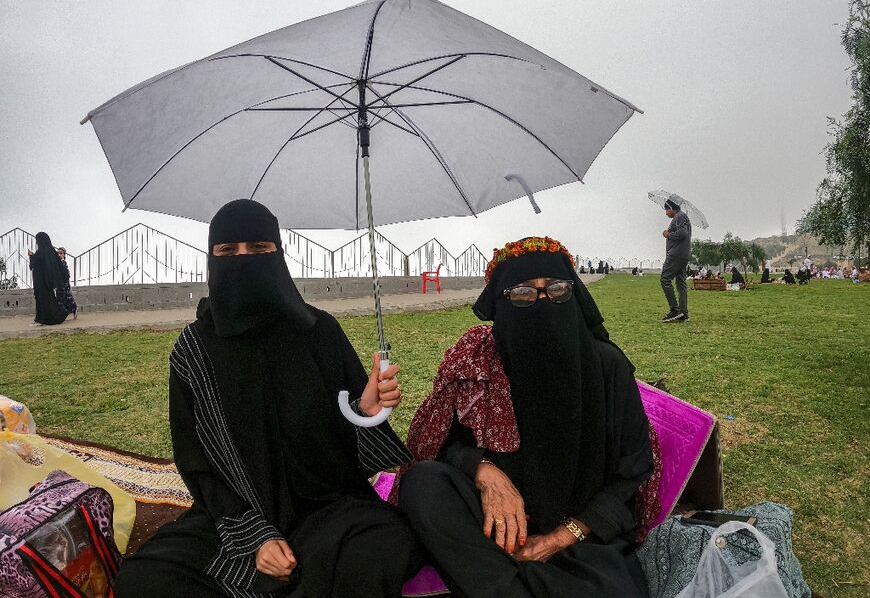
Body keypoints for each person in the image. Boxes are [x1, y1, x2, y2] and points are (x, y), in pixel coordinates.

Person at [115, 200, 423, 598]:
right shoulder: (194, 350)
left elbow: (351, 459)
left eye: (258, 249)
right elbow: (197, 464)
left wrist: (364, 413)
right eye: (228, 251)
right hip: (235, 518)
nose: (243, 260)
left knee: (380, 547)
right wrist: (255, 538)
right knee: (146, 581)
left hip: (326, 508)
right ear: (212, 258)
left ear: (278, 253)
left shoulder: (319, 332)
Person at [397, 236, 660, 598]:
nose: (543, 301)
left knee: (612, 587)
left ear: (574, 293)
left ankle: (496, 584)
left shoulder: (605, 366)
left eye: (556, 290)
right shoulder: (481, 363)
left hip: (580, 533)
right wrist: (485, 473)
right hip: (494, 526)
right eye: (522, 294)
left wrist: (558, 538)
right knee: (423, 483)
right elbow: (443, 446)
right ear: (501, 303)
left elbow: (632, 474)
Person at [659, 199, 691, 322]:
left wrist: (668, 235)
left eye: (667, 209)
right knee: (681, 284)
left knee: (665, 279)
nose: (666, 213)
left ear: (673, 208)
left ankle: (675, 310)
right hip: (683, 254)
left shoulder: (680, 216)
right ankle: (683, 313)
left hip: (676, 255)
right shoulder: (682, 217)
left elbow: (683, 233)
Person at [27, 232, 69, 325]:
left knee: (42, 300)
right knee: (48, 300)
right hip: (48, 281)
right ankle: (41, 319)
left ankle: (43, 319)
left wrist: (31, 256)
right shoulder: (51, 251)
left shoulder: (41, 251)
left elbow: (33, 264)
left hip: (40, 281)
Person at [56, 247, 78, 317]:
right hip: (59, 284)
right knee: (60, 298)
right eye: (58, 253)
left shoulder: (63, 263)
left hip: (64, 284)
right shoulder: (57, 263)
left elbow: (66, 274)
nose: (59, 255)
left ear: (64, 255)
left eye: (61, 253)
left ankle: (74, 309)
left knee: (67, 298)